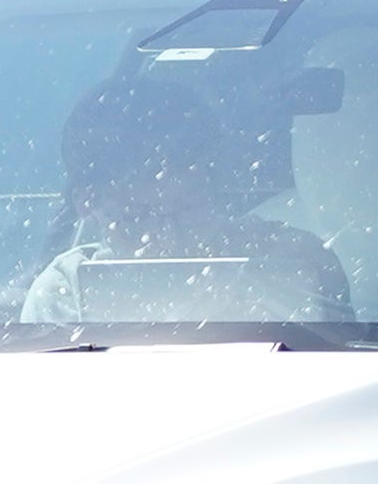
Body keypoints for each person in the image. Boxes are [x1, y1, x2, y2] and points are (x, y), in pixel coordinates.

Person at [23, 55, 353, 328]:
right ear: (87, 204)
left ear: (216, 192)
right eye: (139, 218)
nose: (167, 240)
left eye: (187, 213)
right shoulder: (68, 295)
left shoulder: (291, 265)